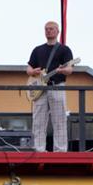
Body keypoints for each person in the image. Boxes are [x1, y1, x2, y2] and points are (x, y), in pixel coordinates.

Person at [27, 21, 74, 152]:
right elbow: (29, 68)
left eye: (51, 29)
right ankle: (38, 150)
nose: (48, 31)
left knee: (59, 120)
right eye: (46, 29)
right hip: (40, 89)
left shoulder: (64, 49)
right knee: (38, 120)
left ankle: (60, 151)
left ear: (58, 31)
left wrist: (62, 70)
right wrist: (33, 71)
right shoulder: (37, 50)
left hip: (57, 86)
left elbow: (70, 69)